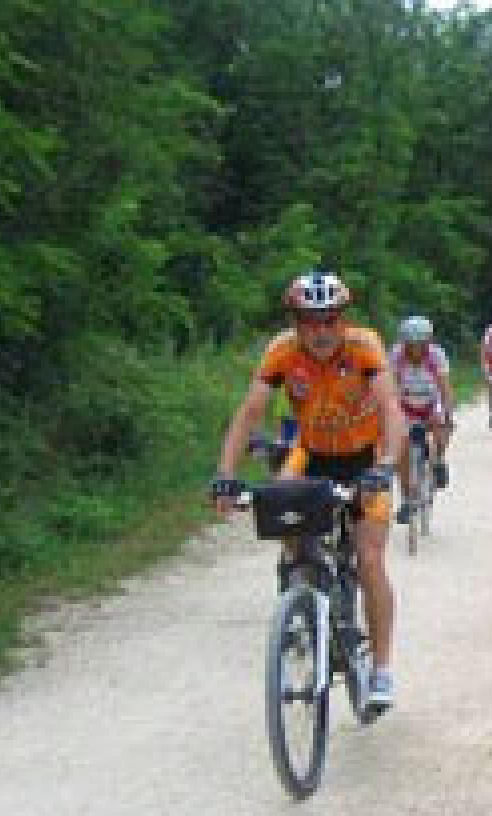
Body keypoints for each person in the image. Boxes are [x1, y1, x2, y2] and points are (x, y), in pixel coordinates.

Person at [209, 267, 406, 715]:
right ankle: (300, 589)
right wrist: (224, 472)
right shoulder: (283, 351)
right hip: (312, 452)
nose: (320, 330)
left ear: (344, 319)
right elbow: (251, 410)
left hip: (365, 457)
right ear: (296, 322)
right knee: (280, 501)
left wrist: (387, 464)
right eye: (309, 320)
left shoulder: (364, 347)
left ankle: (381, 668)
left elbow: (391, 407)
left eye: (330, 319)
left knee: (370, 557)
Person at [389, 315, 454, 523]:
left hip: (430, 403)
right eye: (410, 344)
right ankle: (408, 499)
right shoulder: (396, 355)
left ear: (428, 342)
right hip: (406, 405)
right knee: (401, 450)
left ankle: (439, 461)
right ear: (404, 342)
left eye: (420, 344)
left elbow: (444, 387)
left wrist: (448, 414)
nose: (415, 349)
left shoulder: (436, 355)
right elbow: (391, 388)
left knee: (440, 425)